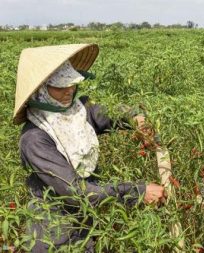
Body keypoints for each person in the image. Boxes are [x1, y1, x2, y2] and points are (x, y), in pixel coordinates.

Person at [13, 44, 166, 252]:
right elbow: (76, 192)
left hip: (85, 220)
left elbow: (107, 114)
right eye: (59, 87)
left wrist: (135, 118)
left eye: (72, 84)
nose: (69, 91)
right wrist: (137, 191)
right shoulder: (35, 139)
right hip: (56, 231)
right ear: (41, 90)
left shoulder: (78, 109)